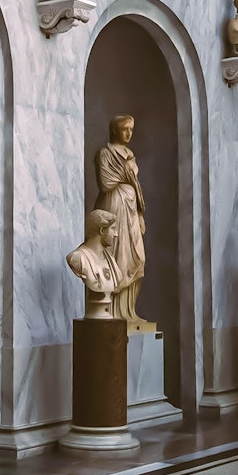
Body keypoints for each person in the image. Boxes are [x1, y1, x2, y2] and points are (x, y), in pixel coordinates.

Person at [94, 115, 146, 323]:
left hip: (132, 210)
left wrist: (141, 214)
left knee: (137, 256)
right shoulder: (105, 153)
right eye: (125, 129)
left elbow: (136, 185)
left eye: (131, 129)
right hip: (114, 206)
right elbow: (106, 182)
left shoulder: (130, 154)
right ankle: (111, 311)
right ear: (115, 130)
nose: (129, 133)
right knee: (116, 254)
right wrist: (126, 173)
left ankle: (128, 311)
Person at [66, 210, 122, 319]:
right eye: (113, 229)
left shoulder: (111, 260)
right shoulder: (78, 258)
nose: (116, 234)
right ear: (102, 230)